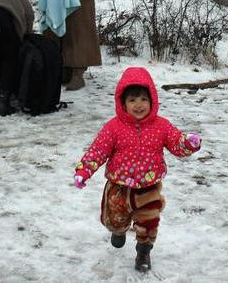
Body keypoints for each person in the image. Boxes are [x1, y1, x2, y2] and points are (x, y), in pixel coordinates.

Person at [73, 67, 202, 272]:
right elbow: (98, 150)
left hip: (148, 188)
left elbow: (176, 143)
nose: (138, 105)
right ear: (123, 103)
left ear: (152, 100)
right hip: (118, 187)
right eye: (132, 100)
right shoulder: (113, 127)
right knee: (114, 220)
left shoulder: (161, 126)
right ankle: (118, 230)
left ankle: (143, 252)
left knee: (149, 223)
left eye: (143, 99)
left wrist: (188, 143)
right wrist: (83, 171)